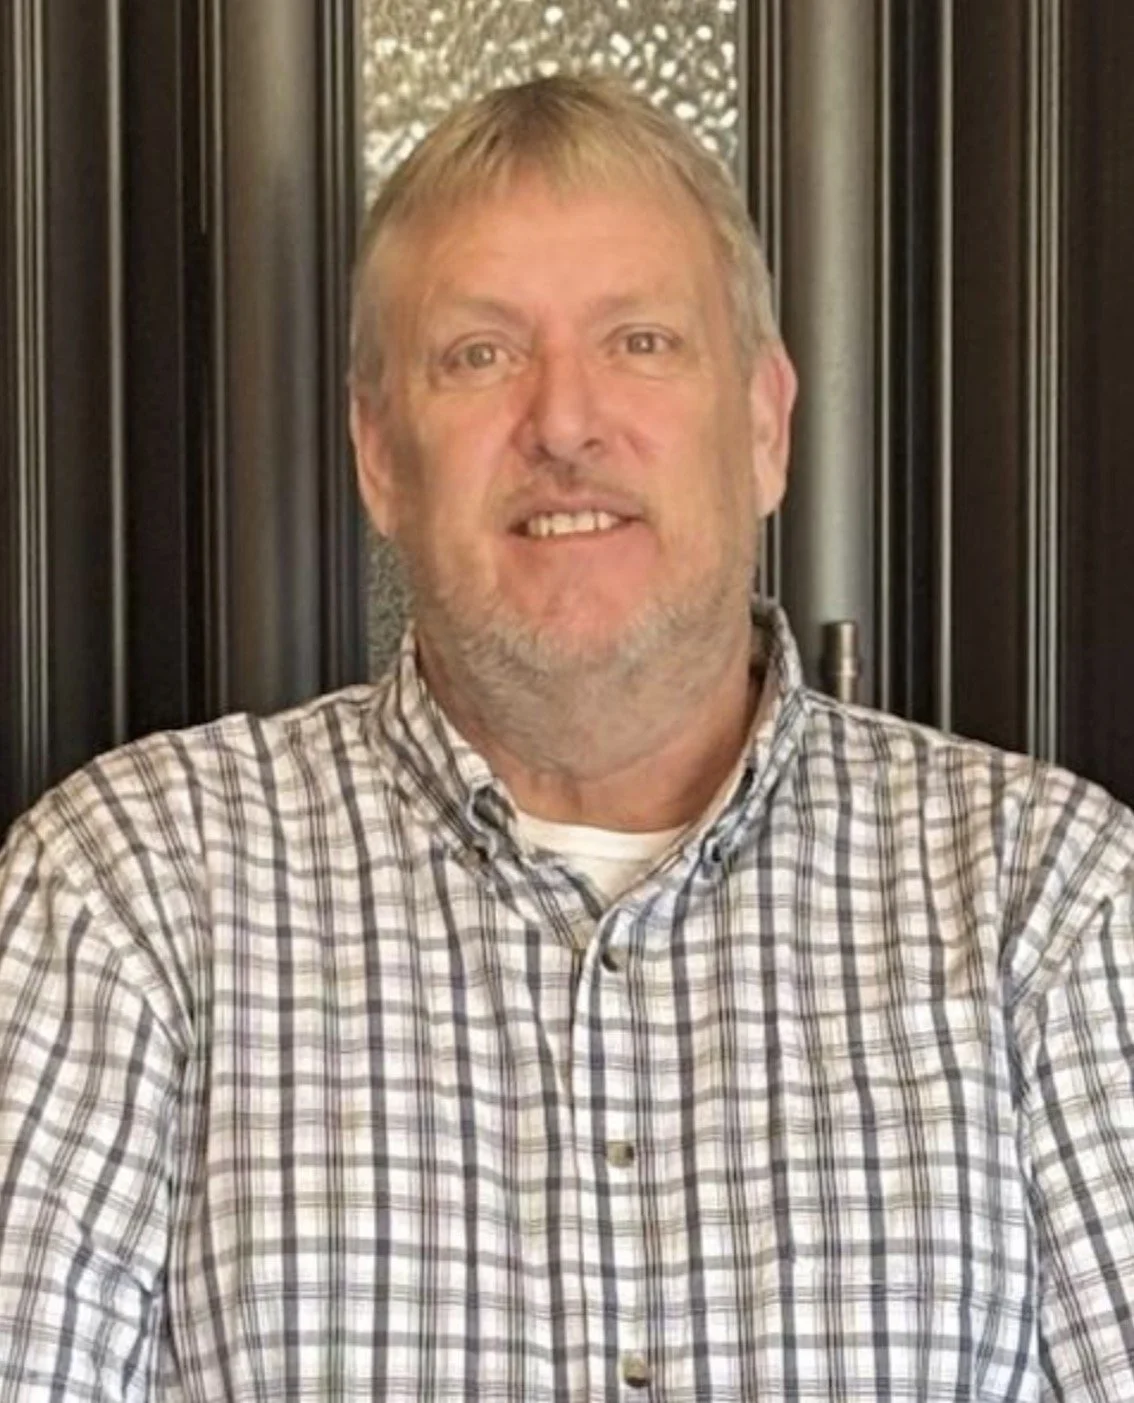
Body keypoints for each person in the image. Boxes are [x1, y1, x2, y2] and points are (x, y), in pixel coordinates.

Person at [1, 72, 1132, 1402]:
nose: (563, 423)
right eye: (480, 354)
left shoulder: (1046, 897)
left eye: (639, 340)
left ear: (764, 425)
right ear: (379, 454)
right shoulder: (134, 888)